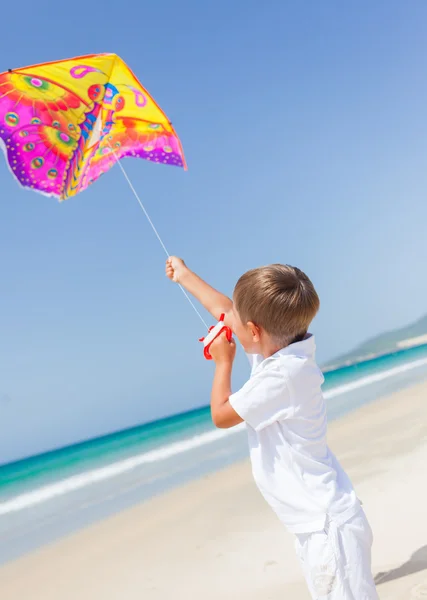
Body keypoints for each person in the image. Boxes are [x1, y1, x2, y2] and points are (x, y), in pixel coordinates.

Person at [165, 256, 379, 599]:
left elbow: (221, 415)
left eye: (241, 322)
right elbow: (226, 309)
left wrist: (223, 362)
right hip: (322, 523)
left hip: (327, 528)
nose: (231, 321)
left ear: (254, 331)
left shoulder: (282, 375)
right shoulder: (282, 349)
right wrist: (185, 276)